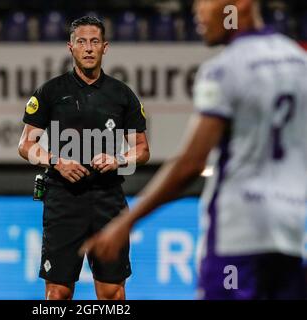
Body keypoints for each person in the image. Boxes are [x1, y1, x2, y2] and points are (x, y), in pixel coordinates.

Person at [81, 0, 307, 300]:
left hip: (237, 237)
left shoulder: (225, 69)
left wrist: (126, 223)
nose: (196, 10)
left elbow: (190, 162)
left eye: (203, 0)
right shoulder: (299, 61)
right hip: (290, 235)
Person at [18, 16, 150, 300]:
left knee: (112, 293)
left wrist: (118, 160)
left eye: (94, 42)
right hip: (63, 200)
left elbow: (142, 149)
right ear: (70, 47)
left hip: (108, 200)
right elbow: (25, 144)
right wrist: (56, 161)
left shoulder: (122, 94)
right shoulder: (50, 92)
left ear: (105, 47)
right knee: (57, 293)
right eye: (81, 42)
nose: (88, 48)